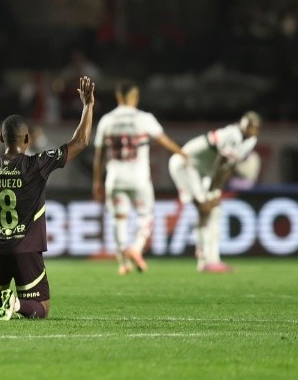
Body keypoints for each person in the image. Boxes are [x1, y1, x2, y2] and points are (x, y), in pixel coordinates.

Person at [0, 77, 95, 320]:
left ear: (1, 139)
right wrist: (88, 105)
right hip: (26, 249)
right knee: (42, 307)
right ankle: (18, 305)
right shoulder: (36, 165)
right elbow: (81, 141)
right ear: (28, 140)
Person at [92, 81, 188, 275]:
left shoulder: (107, 120)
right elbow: (164, 141)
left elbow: (99, 155)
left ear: (118, 97)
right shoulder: (144, 118)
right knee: (146, 216)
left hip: (115, 178)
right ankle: (136, 248)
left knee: (119, 219)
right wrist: (182, 154)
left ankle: (123, 263)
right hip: (139, 178)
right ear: (135, 97)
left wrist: (97, 181)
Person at [168, 111, 261, 273]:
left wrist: (215, 193)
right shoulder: (232, 135)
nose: (248, 130)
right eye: (246, 126)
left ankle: (211, 259)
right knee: (205, 207)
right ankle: (204, 258)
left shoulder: (250, 141)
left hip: (201, 172)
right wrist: (213, 192)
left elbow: (228, 167)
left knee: (214, 210)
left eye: (252, 128)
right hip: (186, 165)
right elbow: (221, 163)